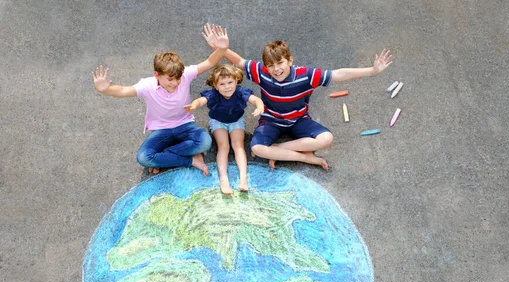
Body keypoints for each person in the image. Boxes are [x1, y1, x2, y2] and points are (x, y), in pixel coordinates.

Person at [205, 27, 392, 170]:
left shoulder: (306, 75)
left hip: (299, 120)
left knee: (326, 138)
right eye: (271, 65)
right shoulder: (261, 71)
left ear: (290, 60)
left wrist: (373, 71)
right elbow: (238, 61)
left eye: (280, 63)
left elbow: (339, 74)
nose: (276, 69)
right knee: (256, 148)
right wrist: (221, 49)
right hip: (271, 120)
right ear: (266, 66)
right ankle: (304, 156)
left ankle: (279, 149)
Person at [91, 24, 229, 175]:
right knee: (144, 157)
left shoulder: (185, 75)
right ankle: (190, 160)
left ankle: (164, 156)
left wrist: (221, 49)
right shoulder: (147, 85)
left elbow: (209, 62)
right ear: (157, 74)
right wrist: (105, 89)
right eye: (170, 79)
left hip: (185, 125)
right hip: (161, 130)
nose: (175, 83)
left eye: (177, 78)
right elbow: (124, 90)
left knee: (205, 142)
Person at [184, 64, 265, 194]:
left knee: (238, 145)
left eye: (230, 82)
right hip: (218, 121)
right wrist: (194, 105)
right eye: (222, 84)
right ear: (215, 86)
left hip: (236, 121)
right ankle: (223, 178)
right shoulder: (214, 95)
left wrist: (259, 106)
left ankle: (243, 177)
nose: (227, 87)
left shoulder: (240, 92)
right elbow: (201, 100)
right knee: (224, 146)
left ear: (236, 80)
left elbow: (255, 99)